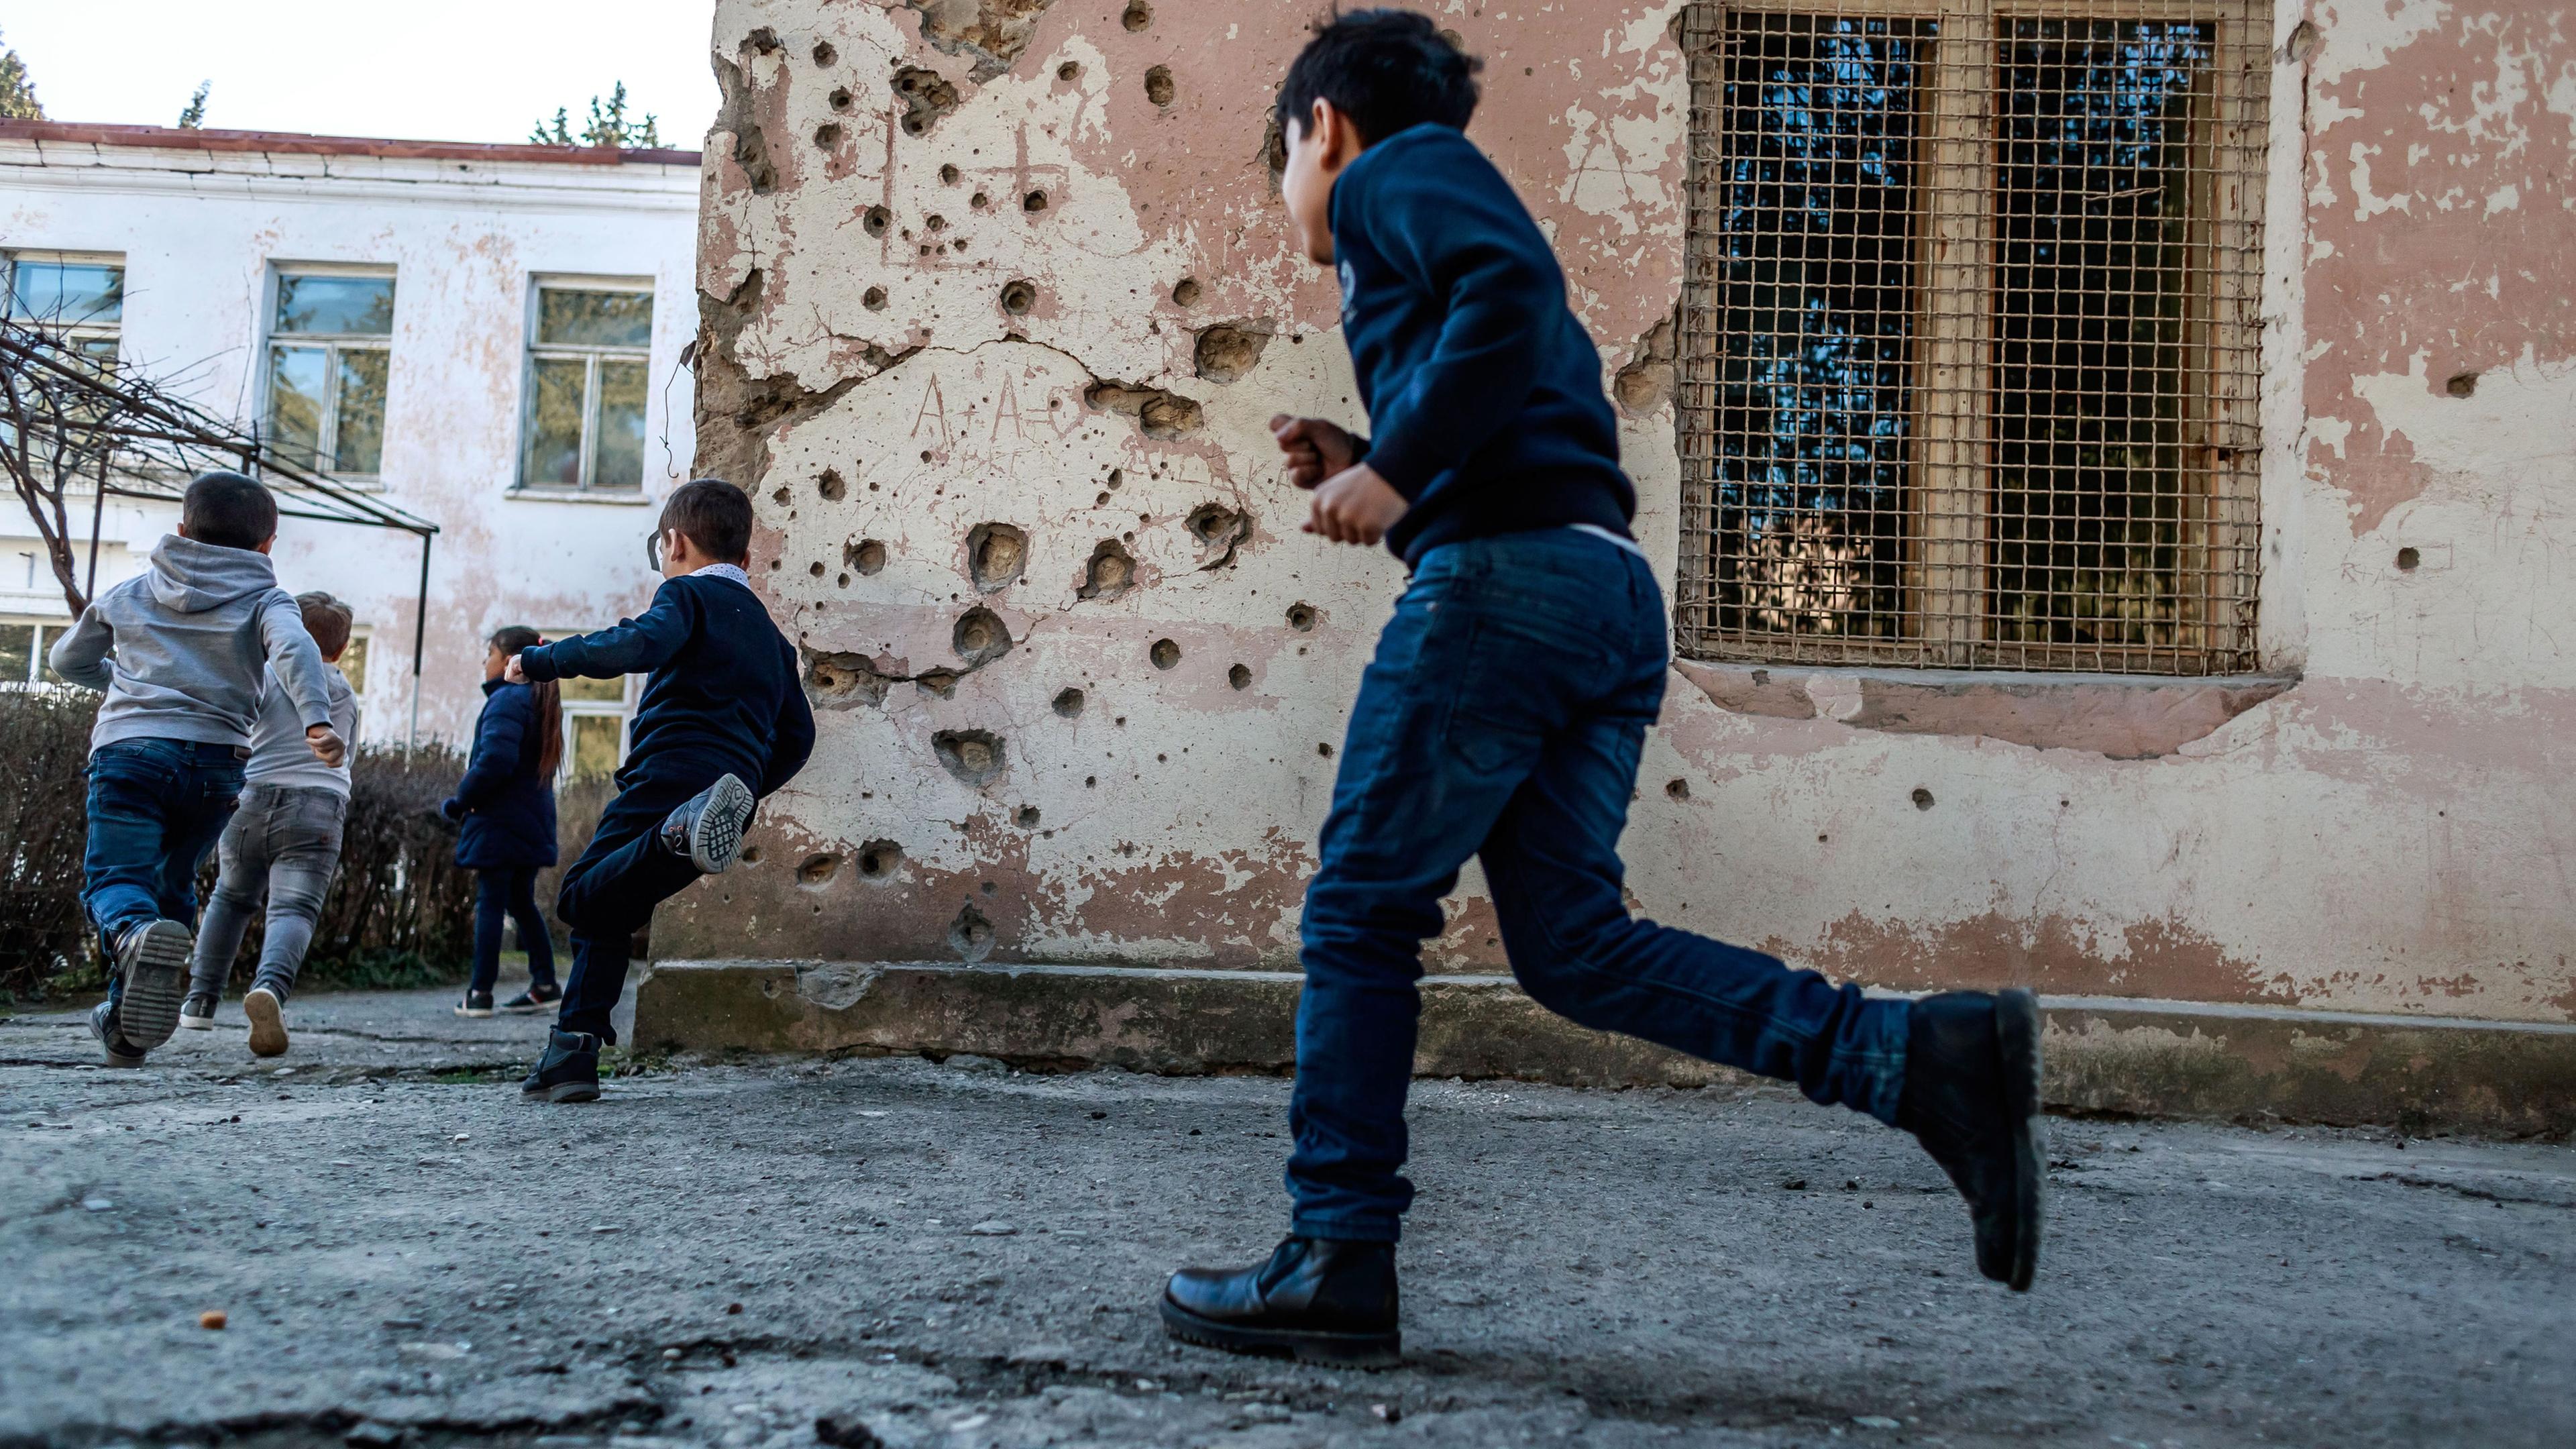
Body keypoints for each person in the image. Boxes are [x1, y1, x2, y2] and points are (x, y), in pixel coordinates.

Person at [1158, 11, 2043, 1368]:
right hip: (1598, 589)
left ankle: (1336, 1251)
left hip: (1504, 590)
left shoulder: (1392, 172)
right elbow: (1516, 384)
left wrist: (1394, 475)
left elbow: (1510, 292)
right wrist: (1378, 449)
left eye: (1281, 157)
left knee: (1357, 909)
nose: (1290, 193)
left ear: (1321, 128)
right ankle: (1911, 1058)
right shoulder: (1423, 217)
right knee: (1570, 946)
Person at [502, 478, 814, 1103]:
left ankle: (678, 833)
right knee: (610, 911)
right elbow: (799, 736)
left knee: (580, 894)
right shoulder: (774, 642)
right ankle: (572, 1056)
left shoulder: (687, 597)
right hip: (728, 793)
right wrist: (746, 787)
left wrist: (540, 661)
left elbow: (637, 644)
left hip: (667, 777)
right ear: (746, 560)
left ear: (673, 544)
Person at [48, 470, 346, 1067]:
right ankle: (126, 1031)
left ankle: (133, 936)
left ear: (183, 530)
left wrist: (121, 681)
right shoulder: (267, 598)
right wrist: (317, 719)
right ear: (268, 545)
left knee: (115, 880)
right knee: (171, 885)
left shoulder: (132, 591)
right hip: (217, 763)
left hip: (130, 752)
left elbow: (66, 658)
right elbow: (294, 649)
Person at [178, 591, 364, 1057]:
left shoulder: (261, 676)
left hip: (251, 799)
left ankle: (199, 1003)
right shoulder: (344, 693)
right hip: (318, 807)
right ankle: (270, 992)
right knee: (293, 910)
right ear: (340, 650)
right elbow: (347, 761)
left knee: (231, 897)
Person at [441, 625, 564, 1018]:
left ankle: (480, 993)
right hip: (529, 820)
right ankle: (545, 984)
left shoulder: (509, 700)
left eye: (490, 652)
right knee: (519, 900)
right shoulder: (535, 698)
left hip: (500, 820)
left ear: (510, 659)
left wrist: (461, 801)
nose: (485, 661)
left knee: (492, 901)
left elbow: (495, 760)